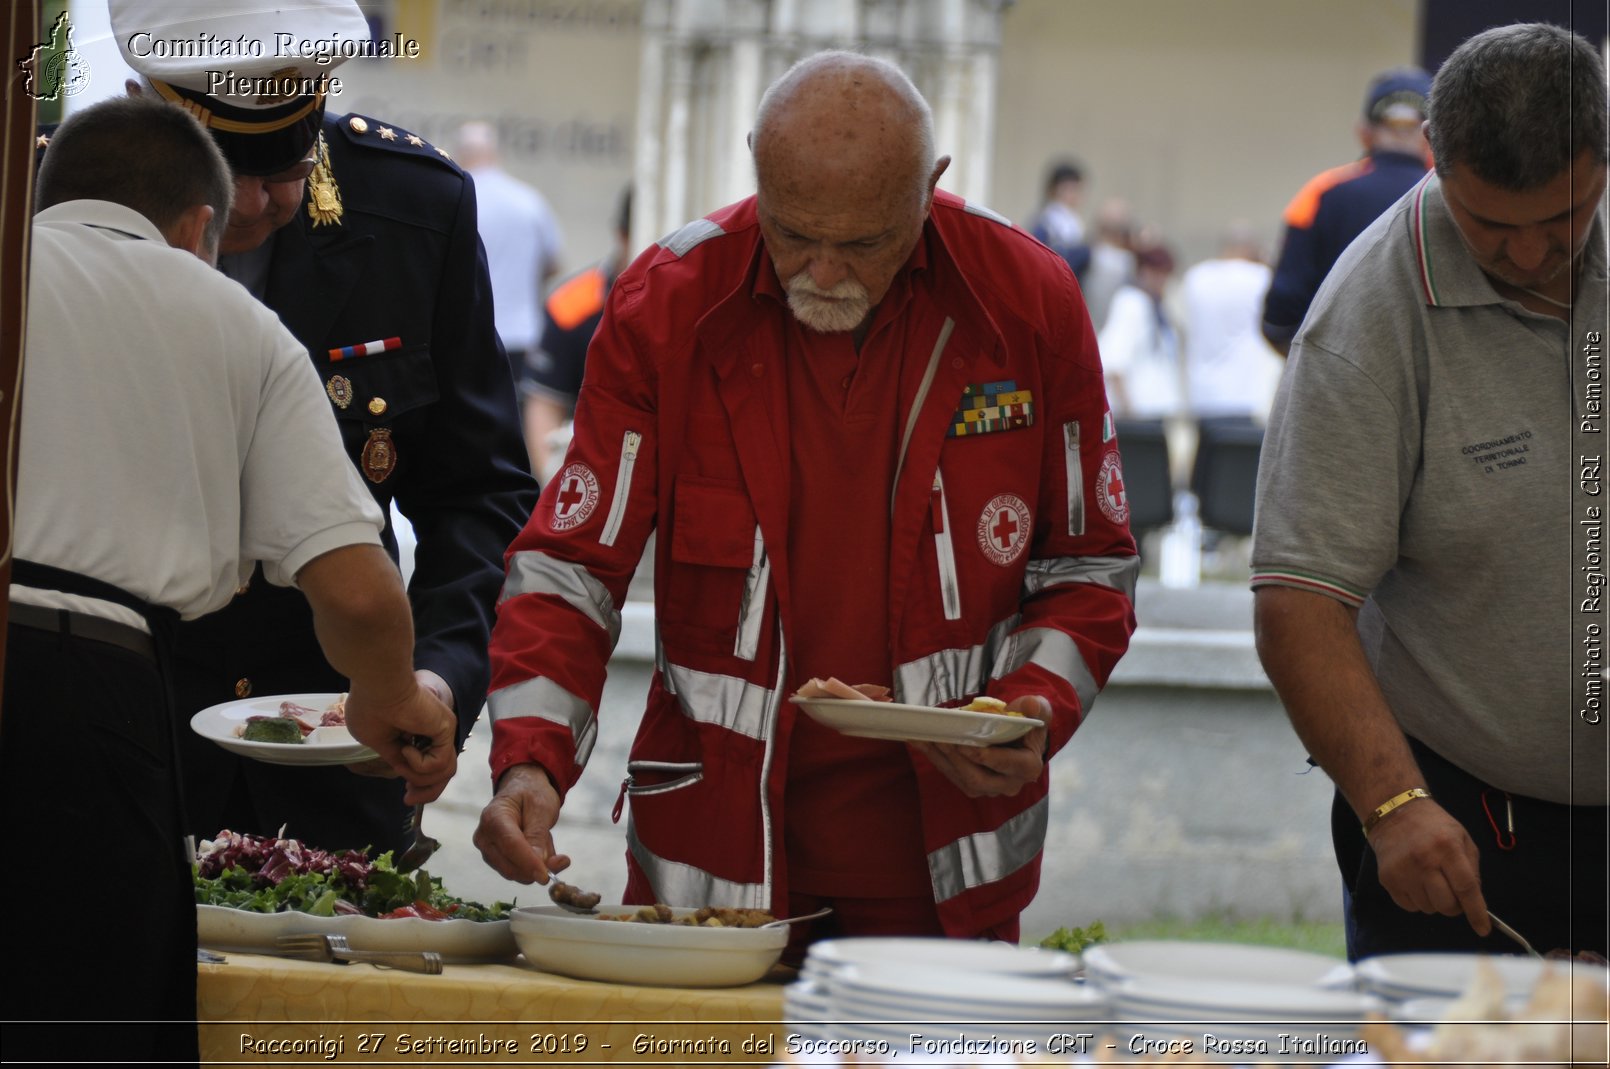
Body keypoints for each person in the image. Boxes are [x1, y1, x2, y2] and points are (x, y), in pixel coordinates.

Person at [474, 51, 1138, 949]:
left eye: (863, 243)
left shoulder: (1027, 302)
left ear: (930, 187)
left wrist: (1031, 705)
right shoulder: (668, 305)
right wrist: (531, 759)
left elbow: (1090, 565)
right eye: (792, 233)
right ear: (755, 162)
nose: (822, 272)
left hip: (946, 869)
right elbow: (573, 562)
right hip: (709, 860)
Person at [3, 96, 457, 1063]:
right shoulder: (233, 321)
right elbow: (360, 590)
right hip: (92, 695)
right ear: (199, 228)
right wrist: (389, 703)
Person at [110, 0, 539, 856]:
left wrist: (438, 677)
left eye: (291, 162)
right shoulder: (56, 208)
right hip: (116, 747)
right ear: (144, 105)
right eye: (231, 173)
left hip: (334, 759)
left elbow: (477, 494)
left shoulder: (413, 210)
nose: (267, 200)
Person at [1251, 23, 1608, 961]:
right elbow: (1300, 599)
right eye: (1493, 226)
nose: (1531, 257)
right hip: (1466, 819)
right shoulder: (1365, 320)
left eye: (1562, 220)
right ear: (1434, 160)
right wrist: (1395, 805)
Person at [1261, 67, 1432, 355]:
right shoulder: (1457, 197)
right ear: (1432, 134)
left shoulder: (1320, 194)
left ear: (1363, 132)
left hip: (1337, 374)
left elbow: (1279, 317)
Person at [453, 119, 566, 473]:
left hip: (470, 336)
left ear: (463, 155)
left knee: (470, 433)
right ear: (494, 153)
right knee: (519, 432)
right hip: (522, 335)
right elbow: (553, 264)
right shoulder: (529, 200)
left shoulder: (457, 198)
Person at [525, 186, 634, 482]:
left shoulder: (682, 303)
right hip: (587, 466)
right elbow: (545, 407)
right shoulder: (572, 306)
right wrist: (553, 487)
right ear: (623, 237)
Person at [1180, 224, 1281, 425]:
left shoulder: (1196, 276)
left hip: (1203, 393)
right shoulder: (1261, 277)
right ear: (1251, 249)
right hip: (1247, 392)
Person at [1098, 240, 1183, 420]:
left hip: (1156, 412)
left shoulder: (1155, 304)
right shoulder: (1130, 302)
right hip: (1139, 416)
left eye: (1164, 274)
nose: (1161, 280)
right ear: (1142, 272)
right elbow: (1114, 364)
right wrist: (1130, 413)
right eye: (1155, 273)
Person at [1027, 159, 1091, 279]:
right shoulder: (1046, 221)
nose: (1072, 195)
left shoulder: (1075, 221)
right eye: (1067, 189)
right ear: (1053, 190)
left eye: (1076, 189)